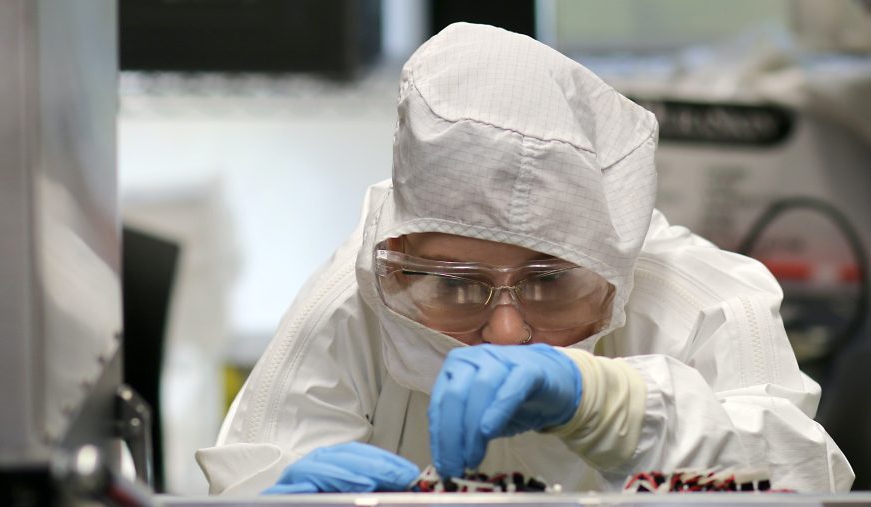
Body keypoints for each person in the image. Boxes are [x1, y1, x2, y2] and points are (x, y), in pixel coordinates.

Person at [196, 22, 854, 494]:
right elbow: (253, 471)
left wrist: (618, 407)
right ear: (398, 261)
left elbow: (804, 478)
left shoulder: (704, 303)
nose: (506, 333)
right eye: (455, 285)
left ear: (615, 270)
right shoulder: (355, 297)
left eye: (550, 282)